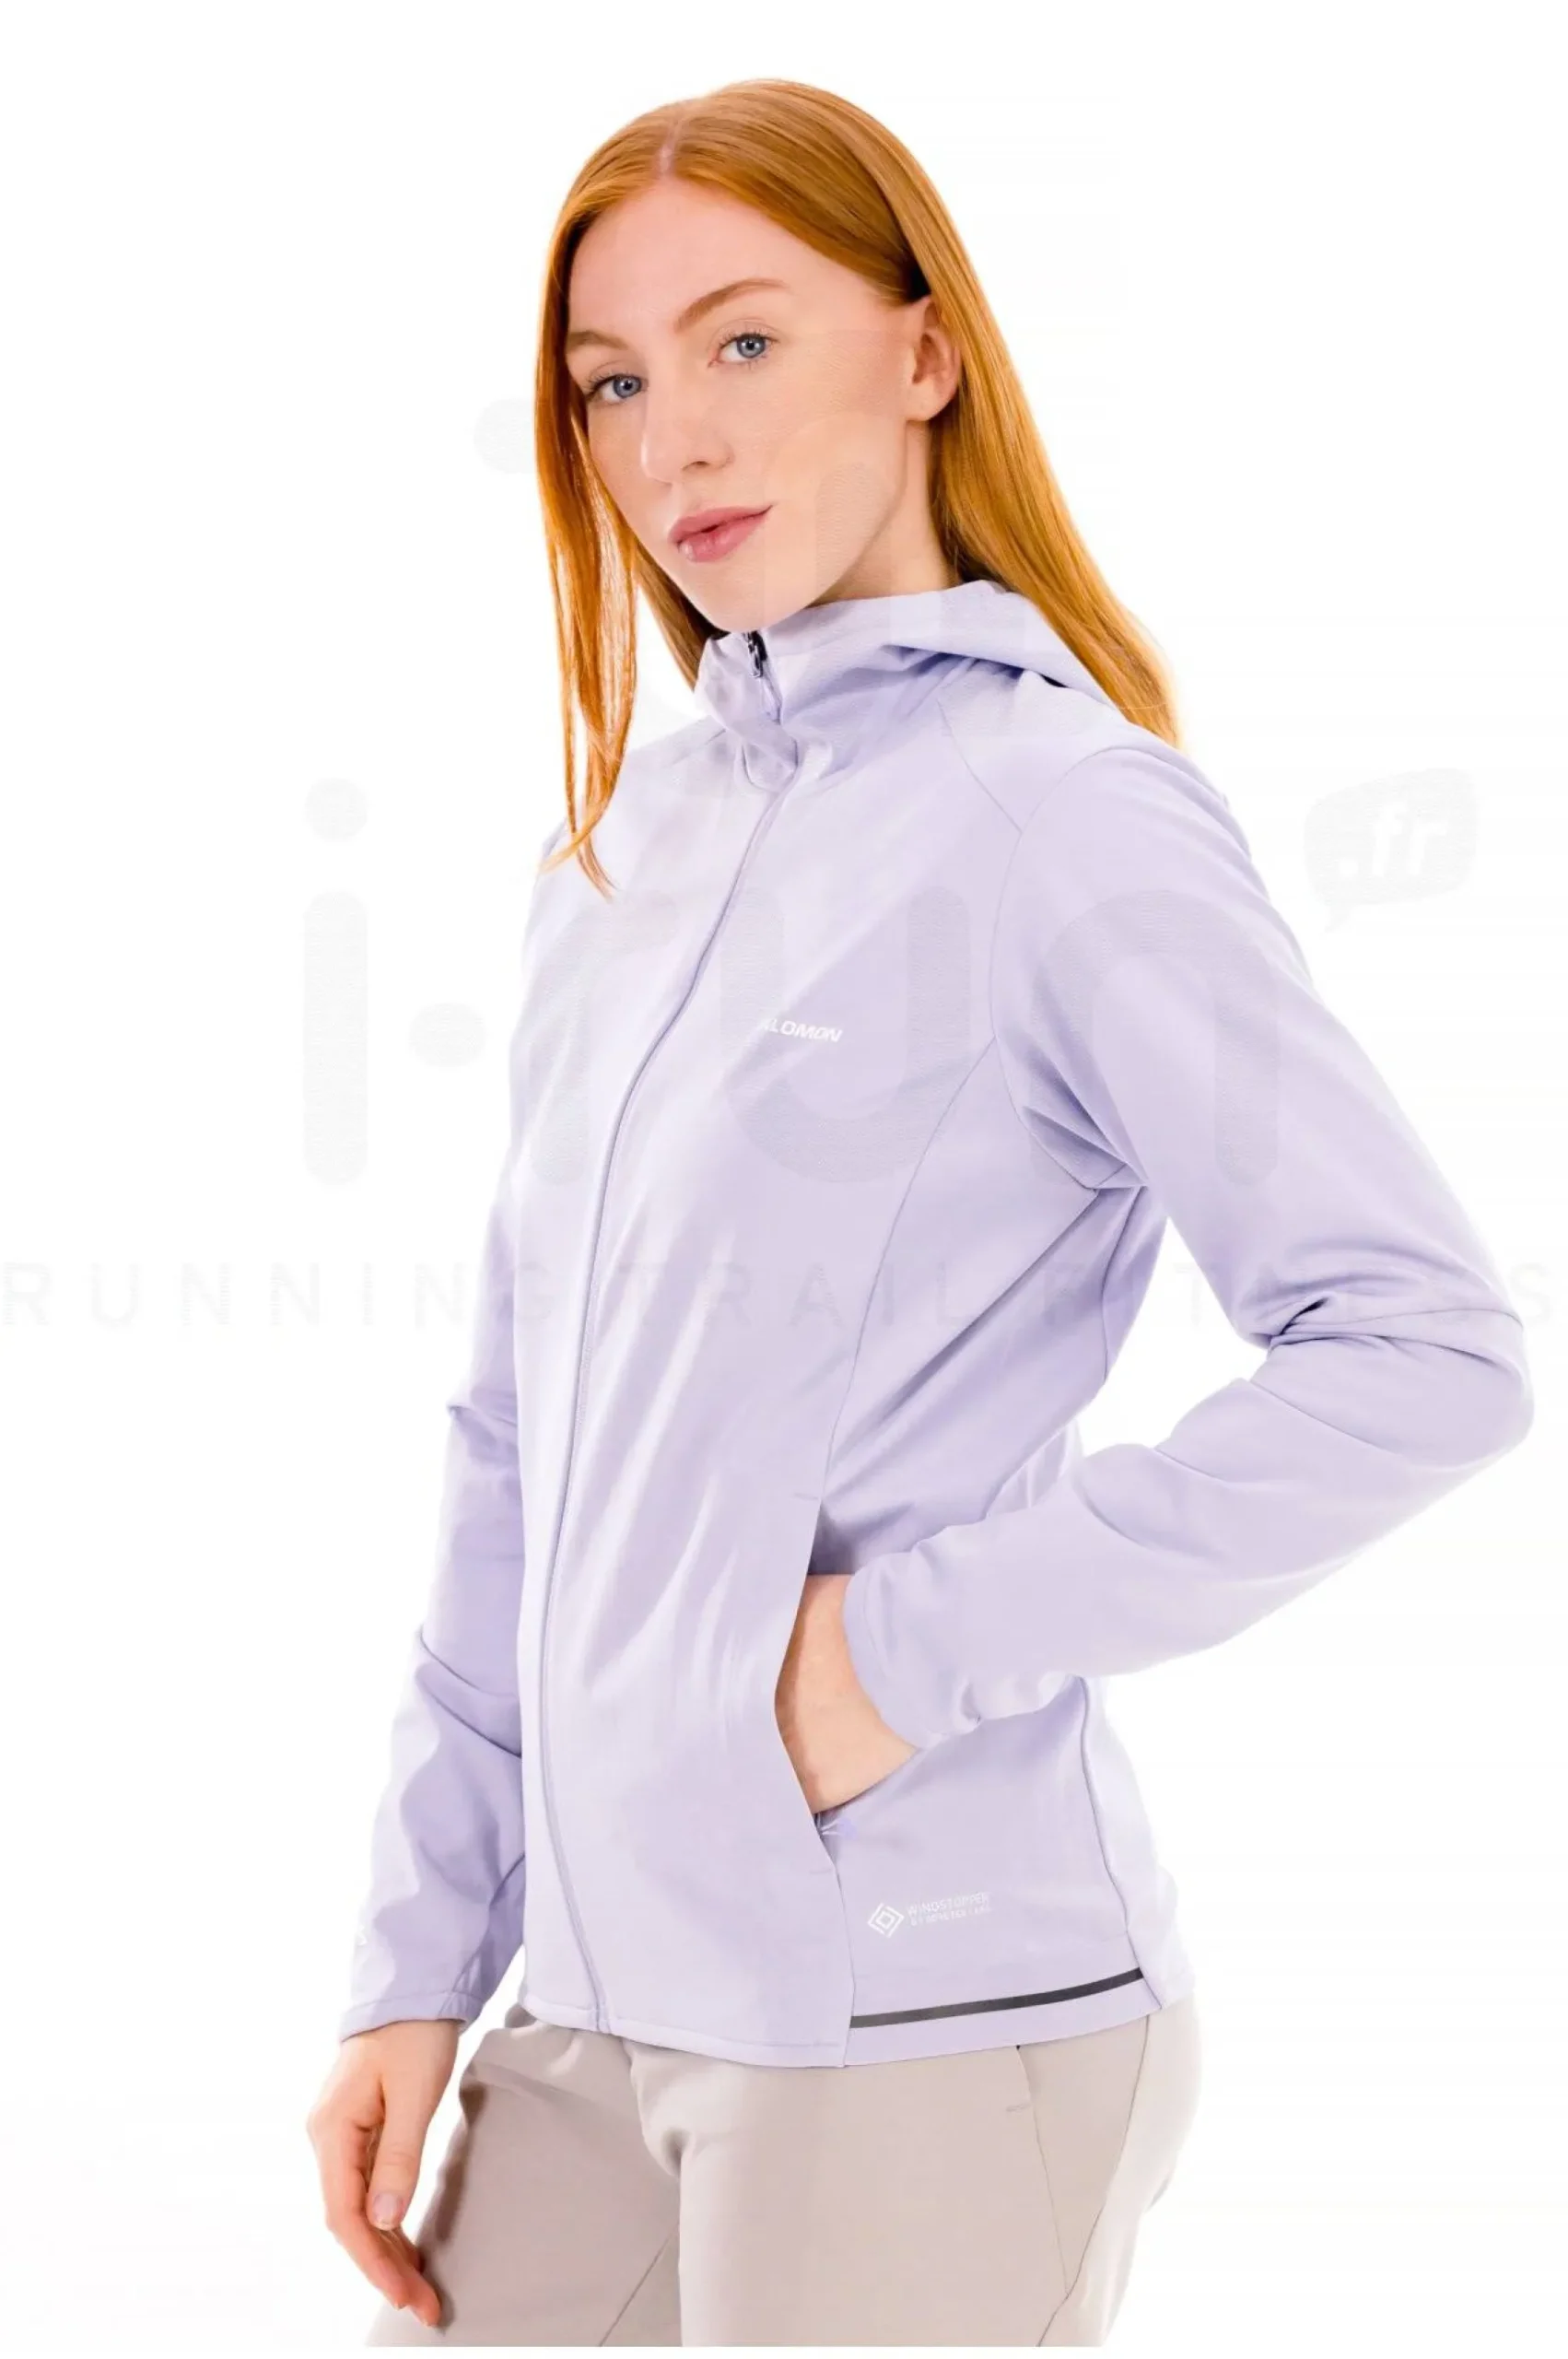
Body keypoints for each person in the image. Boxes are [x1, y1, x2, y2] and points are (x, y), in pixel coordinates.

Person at [305, 77, 1534, 2347]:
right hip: (589, 2005)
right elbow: (514, 1449)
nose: (673, 437)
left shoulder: (1065, 813)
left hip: (922, 2016)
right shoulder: (616, 859)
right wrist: (416, 1951)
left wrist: (893, 1652)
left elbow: (1420, 1352)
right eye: (609, 382)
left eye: (742, 339)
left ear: (923, 351)